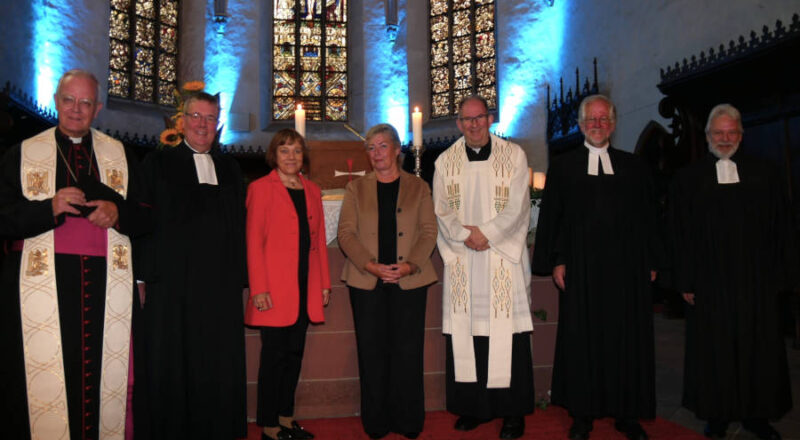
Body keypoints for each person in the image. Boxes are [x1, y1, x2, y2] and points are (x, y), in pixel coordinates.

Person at [0, 69, 146, 439]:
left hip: (106, 288)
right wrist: (47, 207)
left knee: (101, 381)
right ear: (56, 101)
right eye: (69, 100)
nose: (76, 110)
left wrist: (119, 213)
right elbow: (3, 218)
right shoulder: (21, 154)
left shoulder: (121, 155)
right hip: (45, 286)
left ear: (97, 109)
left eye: (85, 103)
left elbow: (149, 217)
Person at [532, 95, 659, 440]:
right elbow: (554, 219)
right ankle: (582, 414)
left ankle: (626, 412)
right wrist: (557, 260)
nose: (597, 125)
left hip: (627, 270)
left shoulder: (634, 166)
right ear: (581, 124)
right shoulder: (564, 166)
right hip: (581, 269)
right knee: (581, 339)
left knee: (626, 338)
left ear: (614, 124)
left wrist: (651, 261)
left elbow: (649, 218)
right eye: (591, 119)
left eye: (604, 119)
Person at [669, 104, 795, 440]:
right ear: (708, 135)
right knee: (715, 351)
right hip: (710, 282)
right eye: (718, 133)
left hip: (757, 280)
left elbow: (782, 226)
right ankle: (717, 414)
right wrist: (685, 280)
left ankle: (758, 415)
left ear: (741, 134)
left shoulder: (765, 173)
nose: (725, 139)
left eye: (731, 133)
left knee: (760, 349)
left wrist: (781, 276)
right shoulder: (688, 178)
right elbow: (678, 234)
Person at [134, 91, 247, 439]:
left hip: (219, 289)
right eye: (196, 116)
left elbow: (241, 228)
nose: (202, 124)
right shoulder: (157, 163)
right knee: (173, 361)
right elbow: (140, 222)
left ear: (218, 125)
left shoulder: (230, 168)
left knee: (217, 362)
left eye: (210, 119)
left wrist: (242, 279)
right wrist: (141, 276)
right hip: (172, 286)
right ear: (181, 121)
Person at [432, 95, 534, 440]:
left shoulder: (514, 156)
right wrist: (465, 236)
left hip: (501, 258)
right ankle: (473, 407)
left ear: (489, 118)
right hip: (465, 260)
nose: (474, 125)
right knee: (469, 333)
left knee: (508, 337)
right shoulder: (445, 163)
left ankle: (512, 412)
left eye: (479, 118)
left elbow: (520, 205)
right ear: (458, 124)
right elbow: (441, 210)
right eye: (467, 120)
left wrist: (488, 235)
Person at [338, 124, 438, 440]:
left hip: (409, 280)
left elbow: (428, 232)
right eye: (371, 147)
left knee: (407, 352)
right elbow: (346, 234)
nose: (377, 153)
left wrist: (409, 266)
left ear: (397, 149)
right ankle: (376, 422)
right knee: (372, 352)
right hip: (367, 281)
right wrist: (371, 266)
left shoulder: (418, 187)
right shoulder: (356, 189)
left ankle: (408, 420)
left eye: (382, 146)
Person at [245, 128, 331, 440]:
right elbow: (253, 242)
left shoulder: (312, 189)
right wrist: (259, 289)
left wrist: (323, 282)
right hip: (274, 288)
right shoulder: (260, 188)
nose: (291, 156)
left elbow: (318, 241)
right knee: (274, 358)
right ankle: (269, 425)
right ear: (274, 155)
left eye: (296, 150)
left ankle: (286, 417)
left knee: (294, 354)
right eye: (285, 150)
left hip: (305, 285)